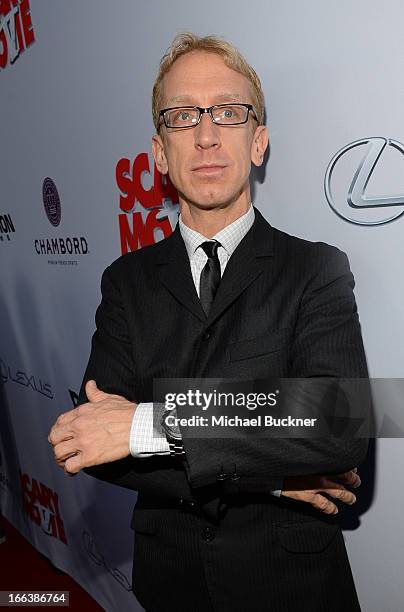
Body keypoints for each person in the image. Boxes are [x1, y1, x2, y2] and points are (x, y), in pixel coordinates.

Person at [49, 33, 368, 612]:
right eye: (182, 116)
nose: (206, 134)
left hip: (292, 589)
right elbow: (95, 438)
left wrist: (148, 424)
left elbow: (339, 420)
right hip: (172, 585)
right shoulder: (125, 282)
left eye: (227, 111)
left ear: (258, 142)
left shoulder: (317, 268)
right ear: (159, 153)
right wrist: (271, 473)